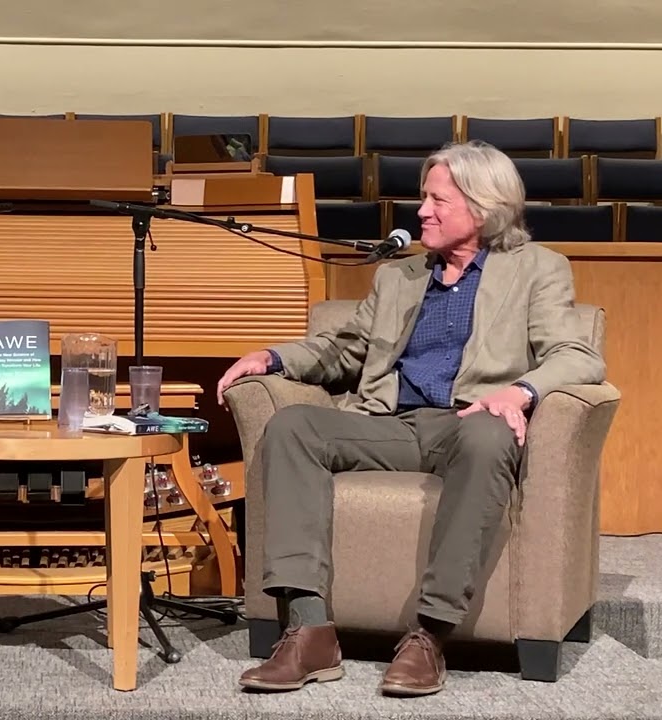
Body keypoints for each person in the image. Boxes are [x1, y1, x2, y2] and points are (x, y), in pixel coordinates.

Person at [216, 140, 605, 697]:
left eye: (437, 199)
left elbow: (578, 354)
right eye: (423, 197)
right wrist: (274, 358)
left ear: (483, 206)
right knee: (293, 427)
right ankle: (308, 629)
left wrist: (518, 393)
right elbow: (345, 350)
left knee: (489, 436)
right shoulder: (399, 278)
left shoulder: (537, 270)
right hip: (391, 423)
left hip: (470, 425)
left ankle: (429, 635)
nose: (421, 211)